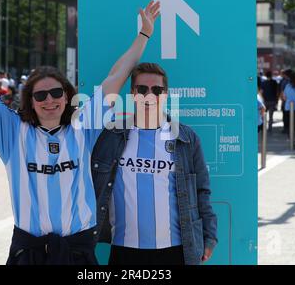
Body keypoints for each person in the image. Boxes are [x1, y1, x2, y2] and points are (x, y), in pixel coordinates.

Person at [0, 0, 160, 265]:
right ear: (30, 101)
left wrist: (144, 35)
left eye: (56, 93)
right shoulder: (12, 131)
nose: (49, 100)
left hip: (78, 250)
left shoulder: (83, 127)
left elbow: (117, 76)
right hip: (29, 253)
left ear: (67, 97)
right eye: (40, 95)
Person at [92, 62, 218, 264]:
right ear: (133, 93)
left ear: (165, 94)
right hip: (125, 250)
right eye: (142, 89)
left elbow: (202, 190)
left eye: (157, 90)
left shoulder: (185, 138)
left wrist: (209, 236)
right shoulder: (110, 136)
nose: (149, 95)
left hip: (176, 250)